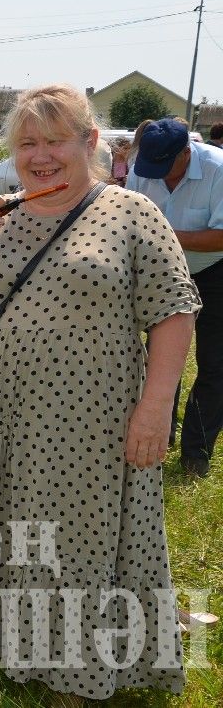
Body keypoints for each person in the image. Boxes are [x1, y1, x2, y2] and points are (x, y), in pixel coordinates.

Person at [0, 85, 196, 703]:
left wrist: (154, 408)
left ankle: (76, 671)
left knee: (75, 544)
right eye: (28, 143)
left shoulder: (131, 214)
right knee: (0, 531)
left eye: (56, 141)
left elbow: (174, 314)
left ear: (90, 143)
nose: (41, 155)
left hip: (90, 427)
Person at [127, 117, 223, 478]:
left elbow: (221, 236)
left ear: (188, 152)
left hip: (215, 271)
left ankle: (197, 450)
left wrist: (164, 234)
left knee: (214, 364)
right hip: (160, 273)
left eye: (168, 166)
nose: (159, 175)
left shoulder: (218, 169)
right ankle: (159, 434)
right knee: (160, 359)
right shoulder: (143, 168)